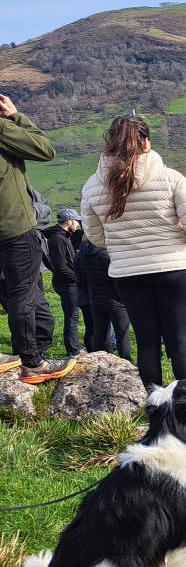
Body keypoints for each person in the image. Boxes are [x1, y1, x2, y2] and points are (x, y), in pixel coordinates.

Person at [81, 115, 186, 388]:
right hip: (174, 269)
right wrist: (180, 237)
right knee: (180, 342)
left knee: (147, 343)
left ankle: (155, 406)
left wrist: (124, 241)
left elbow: (96, 237)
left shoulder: (93, 186)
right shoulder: (170, 178)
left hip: (128, 274)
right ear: (145, 142)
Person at [0, 93, 74, 383]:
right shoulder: (2, 129)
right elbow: (45, 149)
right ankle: (32, 363)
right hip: (13, 227)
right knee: (23, 294)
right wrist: (14, 117)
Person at [76, 238, 131, 361]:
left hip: (94, 298)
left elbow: (80, 280)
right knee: (122, 334)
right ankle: (126, 362)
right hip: (115, 299)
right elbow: (118, 277)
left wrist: (90, 292)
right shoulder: (108, 254)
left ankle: (103, 362)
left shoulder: (80, 255)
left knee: (100, 334)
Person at [44, 208, 83, 358]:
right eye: (76, 221)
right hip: (67, 283)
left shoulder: (62, 236)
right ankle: (73, 350)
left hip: (66, 281)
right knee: (72, 317)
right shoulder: (57, 239)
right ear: (69, 221)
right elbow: (60, 266)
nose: (77, 224)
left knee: (73, 316)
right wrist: (77, 278)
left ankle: (75, 347)